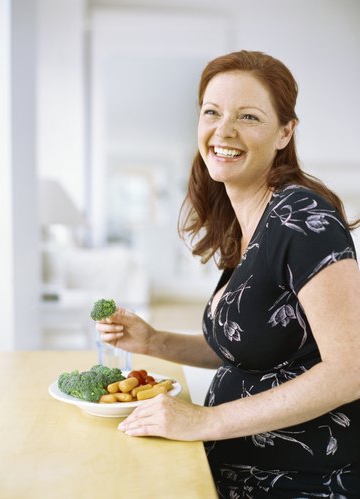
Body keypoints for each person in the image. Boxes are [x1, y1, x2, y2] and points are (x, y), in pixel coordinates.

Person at [96, 51, 360, 497]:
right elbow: (253, 348)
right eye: (212, 112)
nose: (224, 131)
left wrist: (206, 420)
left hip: (300, 483)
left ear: (285, 132)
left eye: (249, 116)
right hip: (228, 466)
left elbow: (351, 368)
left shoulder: (301, 216)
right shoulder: (249, 219)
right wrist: (155, 341)